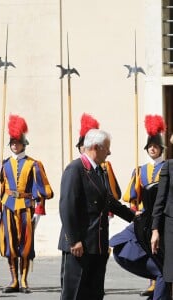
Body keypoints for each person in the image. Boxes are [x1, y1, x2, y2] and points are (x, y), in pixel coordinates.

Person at [58, 128, 136, 300]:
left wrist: (134, 217)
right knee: (75, 293)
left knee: (94, 293)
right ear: (95, 147)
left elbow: (108, 201)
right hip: (80, 245)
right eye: (106, 148)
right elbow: (67, 206)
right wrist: (74, 239)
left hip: (97, 244)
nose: (109, 152)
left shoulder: (99, 170)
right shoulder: (75, 169)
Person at [0, 114, 53, 294]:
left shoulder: (34, 164)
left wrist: (38, 212)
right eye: (12, 143)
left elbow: (42, 191)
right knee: (10, 244)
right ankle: (13, 279)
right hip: (7, 206)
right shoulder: (2, 163)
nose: (15, 145)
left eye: (17, 142)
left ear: (24, 143)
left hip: (26, 207)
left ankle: (24, 280)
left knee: (25, 244)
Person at [110, 115, 170, 300]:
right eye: (150, 146)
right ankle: (155, 281)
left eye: (155, 146)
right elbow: (130, 196)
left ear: (161, 148)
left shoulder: (168, 167)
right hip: (145, 217)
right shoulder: (140, 170)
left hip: (163, 216)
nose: (153, 148)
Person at [151, 133, 173, 299]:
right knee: (171, 274)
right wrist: (155, 230)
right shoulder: (169, 166)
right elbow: (160, 201)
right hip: (171, 227)